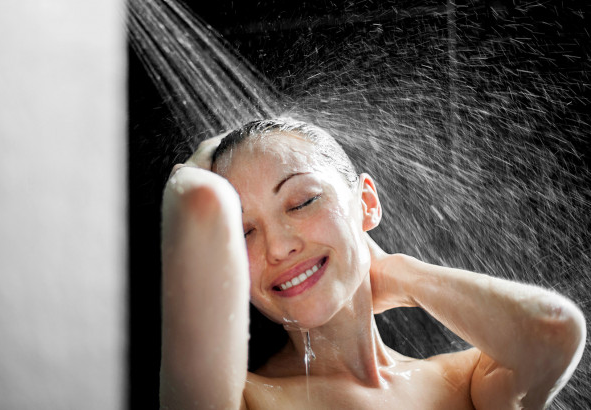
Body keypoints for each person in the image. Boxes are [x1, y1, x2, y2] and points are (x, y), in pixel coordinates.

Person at [159, 117, 586, 409]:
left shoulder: (462, 383)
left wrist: (398, 273)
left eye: (303, 201)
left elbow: (553, 330)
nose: (278, 247)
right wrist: (188, 181)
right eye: (243, 231)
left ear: (366, 203)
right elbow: (196, 202)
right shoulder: (245, 400)